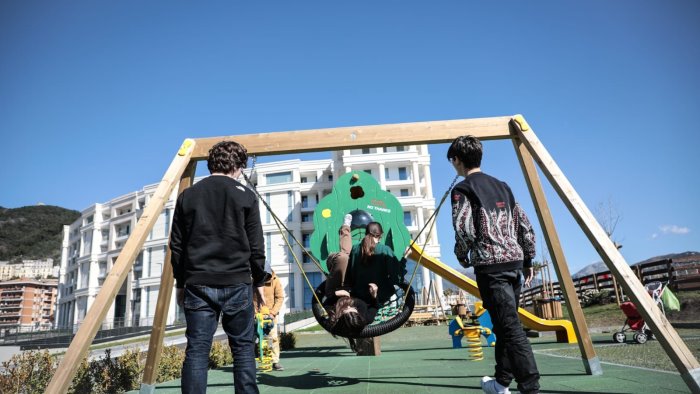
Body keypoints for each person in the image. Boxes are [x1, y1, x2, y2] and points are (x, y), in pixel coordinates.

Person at [170, 140, 269, 394]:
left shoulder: (187, 196)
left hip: (198, 283)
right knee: (243, 349)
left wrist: (180, 283)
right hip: (237, 282)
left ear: (210, 164)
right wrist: (259, 281)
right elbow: (256, 246)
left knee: (197, 350)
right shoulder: (246, 195)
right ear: (238, 166)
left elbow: (177, 247)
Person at [447, 135, 540, 394]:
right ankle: (500, 383)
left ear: (456, 160)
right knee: (503, 324)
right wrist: (528, 258)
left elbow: (465, 229)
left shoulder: (462, 190)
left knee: (510, 329)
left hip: (491, 268)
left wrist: (461, 253)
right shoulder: (503, 186)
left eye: (452, 161)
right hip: (515, 262)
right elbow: (524, 225)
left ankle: (530, 388)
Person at [254, 269, 285, 371]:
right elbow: (249, 298)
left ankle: (275, 361)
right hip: (256, 315)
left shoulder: (275, 280)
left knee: (273, 339)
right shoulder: (252, 280)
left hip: (271, 315)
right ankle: (260, 362)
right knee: (257, 339)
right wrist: (254, 313)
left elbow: (279, 297)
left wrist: (272, 313)